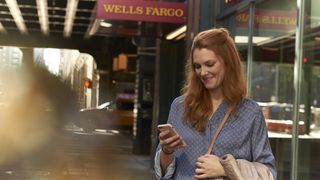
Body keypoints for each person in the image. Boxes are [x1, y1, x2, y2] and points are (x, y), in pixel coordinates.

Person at [154, 28, 276, 180]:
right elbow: (163, 173)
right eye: (197, 66)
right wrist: (166, 151)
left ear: (228, 63)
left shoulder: (250, 112)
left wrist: (227, 169)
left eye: (209, 64)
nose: (203, 72)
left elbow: (268, 173)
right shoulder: (180, 106)